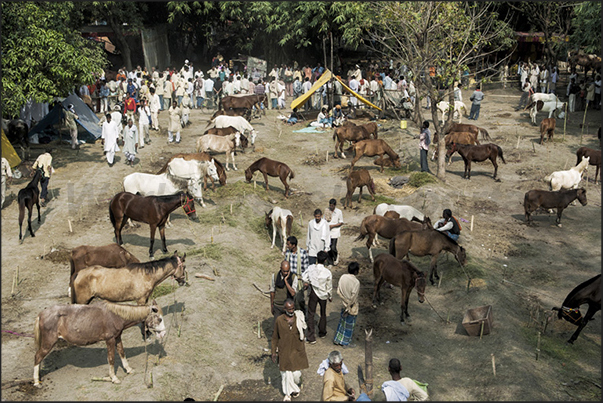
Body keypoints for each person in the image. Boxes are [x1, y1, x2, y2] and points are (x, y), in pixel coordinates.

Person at [271, 299, 309, 401]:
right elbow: (275, 337)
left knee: (296, 374)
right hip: (284, 352)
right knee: (286, 374)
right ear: (284, 309)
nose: (291, 311)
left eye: (292, 308)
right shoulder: (279, 320)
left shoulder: (299, 318)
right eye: (289, 309)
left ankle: (295, 387)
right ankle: (288, 394)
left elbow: (303, 332)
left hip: (297, 351)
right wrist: (274, 351)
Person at [302, 251, 332, 344]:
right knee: (323, 313)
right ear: (325, 260)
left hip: (313, 293)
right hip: (323, 294)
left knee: (311, 313)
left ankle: (311, 337)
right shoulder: (327, 272)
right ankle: (322, 332)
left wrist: (309, 282)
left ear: (316, 259)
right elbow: (329, 286)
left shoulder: (311, 269)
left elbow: (304, 277)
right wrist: (330, 296)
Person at [333, 262, 360, 347]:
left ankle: (337, 339)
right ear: (356, 271)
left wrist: (344, 301)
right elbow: (353, 297)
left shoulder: (343, 277)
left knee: (342, 322)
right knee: (349, 325)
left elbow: (338, 291)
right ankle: (345, 342)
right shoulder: (356, 282)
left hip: (343, 303)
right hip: (351, 306)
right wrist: (349, 306)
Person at [285, 235, 310, 312]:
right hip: (290, 278)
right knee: (289, 299)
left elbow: (306, 270)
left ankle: (302, 315)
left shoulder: (303, 253)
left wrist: (306, 282)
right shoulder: (287, 253)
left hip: (299, 279)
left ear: (294, 245)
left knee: (299, 300)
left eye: (288, 244)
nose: (287, 246)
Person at [270, 260, 298, 326]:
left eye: (287, 271)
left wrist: (286, 281)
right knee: (277, 325)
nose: (285, 273)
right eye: (284, 271)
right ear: (280, 269)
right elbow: (272, 291)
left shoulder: (294, 277)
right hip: (278, 305)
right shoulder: (275, 276)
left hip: (289, 307)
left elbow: (293, 293)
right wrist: (272, 304)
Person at [325, 199, 344, 266]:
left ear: (335, 205)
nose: (331, 207)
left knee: (333, 247)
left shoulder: (339, 212)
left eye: (332, 205)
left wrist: (333, 226)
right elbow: (325, 220)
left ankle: (336, 257)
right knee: (328, 247)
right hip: (328, 232)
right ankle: (330, 262)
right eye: (330, 205)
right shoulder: (327, 210)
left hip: (335, 232)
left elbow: (341, 222)